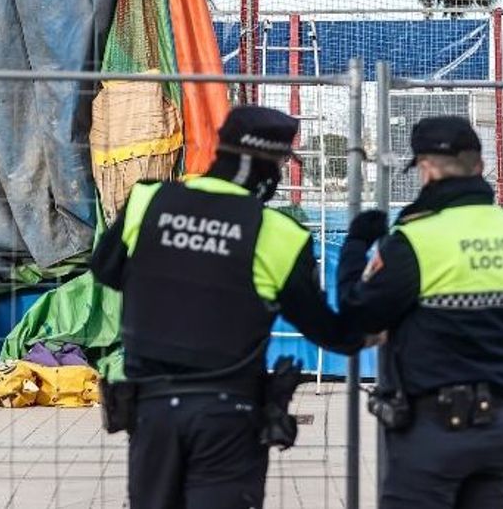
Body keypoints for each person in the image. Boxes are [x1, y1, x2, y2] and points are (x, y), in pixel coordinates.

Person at [91, 105, 366, 509]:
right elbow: (330, 332)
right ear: (272, 166)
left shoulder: (148, 200)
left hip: (152, 413)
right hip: (228, 420)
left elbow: (106, 271)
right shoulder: (279, 235)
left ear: (220, 149)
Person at [339, 115, 503, 509]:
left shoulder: (416, 239)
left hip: (434, 432)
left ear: (426, 168)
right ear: (478, 166)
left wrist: (355, 245)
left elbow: (358, 314)